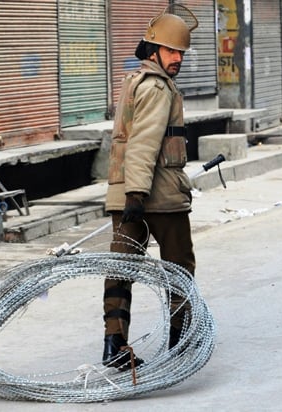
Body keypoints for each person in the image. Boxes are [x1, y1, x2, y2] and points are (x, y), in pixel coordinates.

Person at [102, 5, 199, 370]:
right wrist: (138, 195)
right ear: (154, 49)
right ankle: (182, 340)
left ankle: (114, 345)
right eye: (172, 51)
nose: (178, 58)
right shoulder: (158, 88)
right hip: (156, 198)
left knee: (120, 270)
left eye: (181, 53)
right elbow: (144, 142)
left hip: (126, 195)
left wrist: (128, 195)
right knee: (179, 267)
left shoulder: (134, 81)